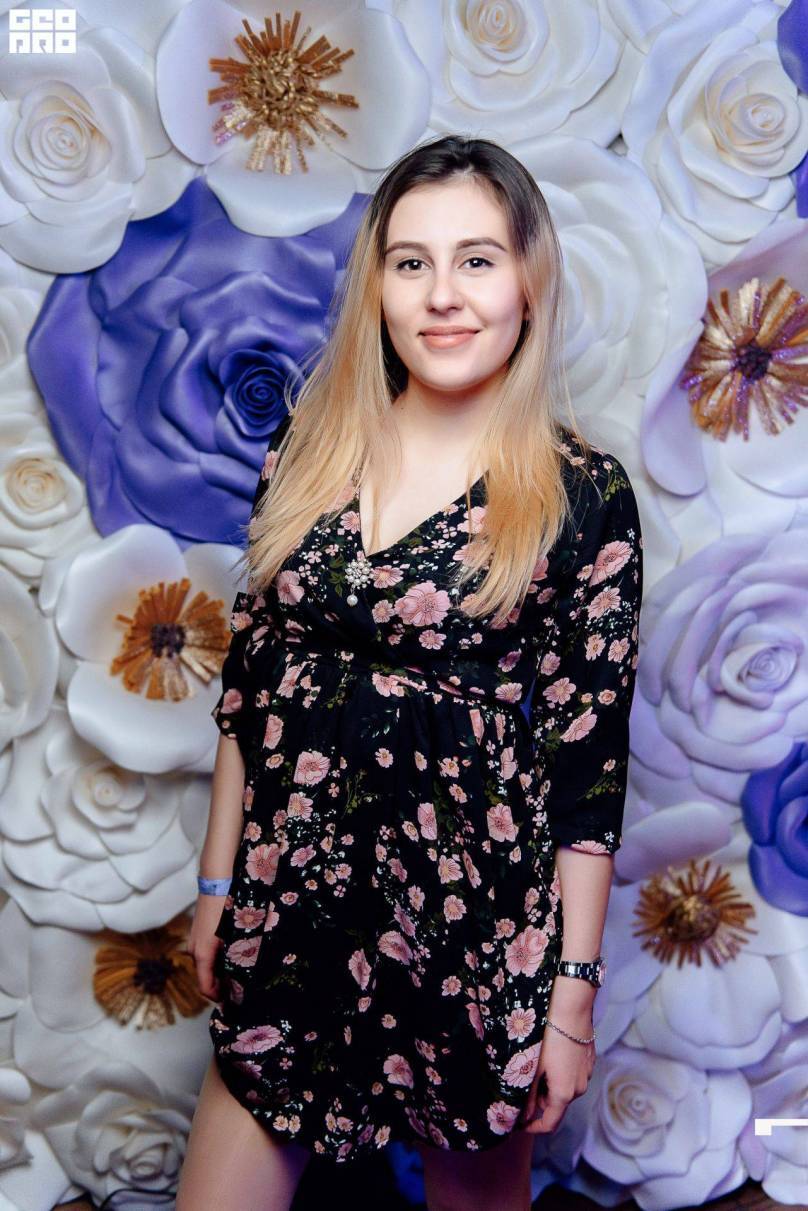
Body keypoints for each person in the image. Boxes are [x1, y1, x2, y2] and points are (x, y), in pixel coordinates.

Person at [176, 134, 643, 1211]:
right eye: (410, 261)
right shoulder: (308, 450)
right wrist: (216, 886)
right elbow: (250, 689)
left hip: (474, 934)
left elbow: (589, 770)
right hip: (289, 914)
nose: (443, 294)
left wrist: (569, 997)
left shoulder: (581, 495)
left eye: (477, 259)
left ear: (528, 281)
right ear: (376, 286)